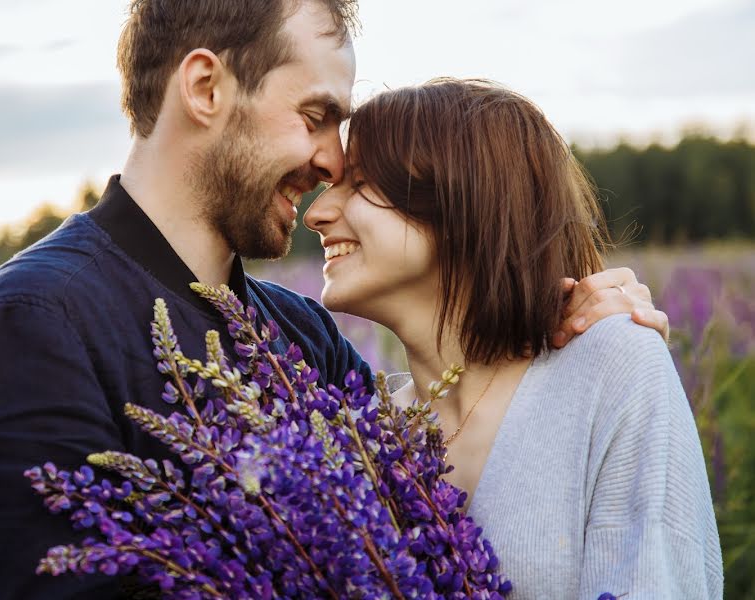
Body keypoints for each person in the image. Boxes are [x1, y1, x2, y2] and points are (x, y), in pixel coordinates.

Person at [0, 2, 668, 599]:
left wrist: (575, 323)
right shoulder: (37, 321)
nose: (333, 160)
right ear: (206, 88)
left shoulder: (300, 333)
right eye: (316, 116)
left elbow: (435, 501)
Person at [304, 78, 722, 598]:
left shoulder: (611, 366)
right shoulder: (370, 434)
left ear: (462, 200)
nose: (315, 213)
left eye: (359, 183)